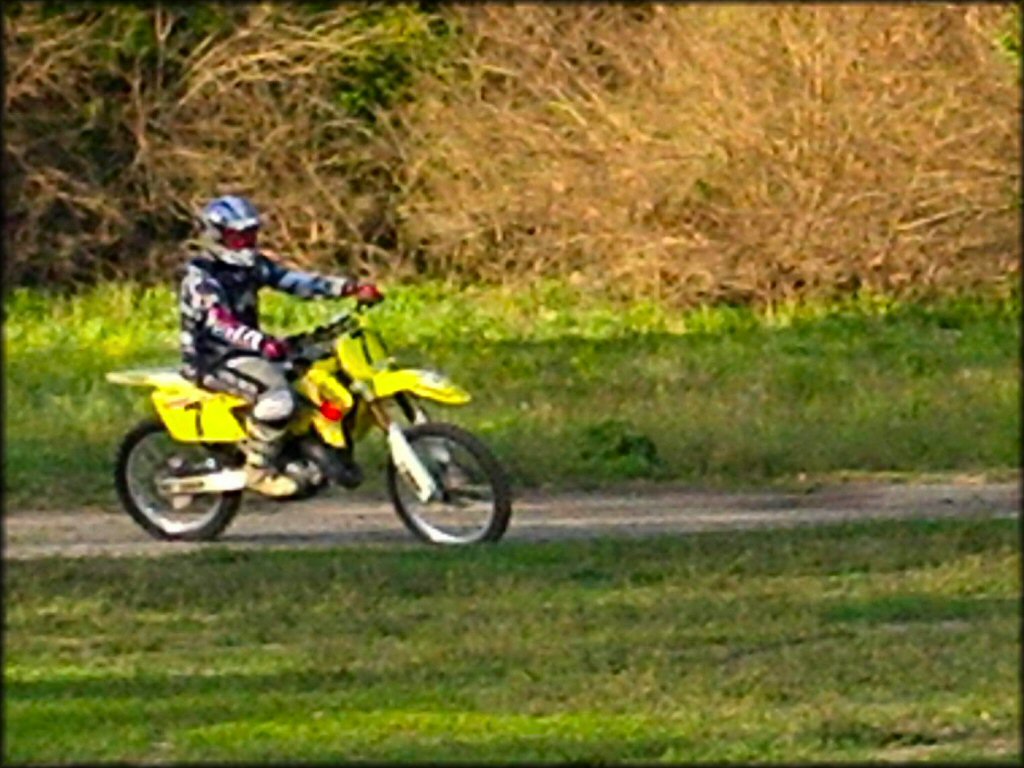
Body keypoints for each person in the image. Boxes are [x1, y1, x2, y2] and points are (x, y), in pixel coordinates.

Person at [178, 194, 382, 496]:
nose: (246, 243)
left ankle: (305, 453)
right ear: (216, 235)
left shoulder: (252, 267)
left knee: (317, 371)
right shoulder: (201, 278)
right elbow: (219, 322)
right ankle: (258, 470)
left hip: (250, 353)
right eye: (238, 237)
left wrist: (348, 288)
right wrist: (260, 342)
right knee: (278, 398)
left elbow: (296, 282)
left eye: (250, 235)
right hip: (215, 360)